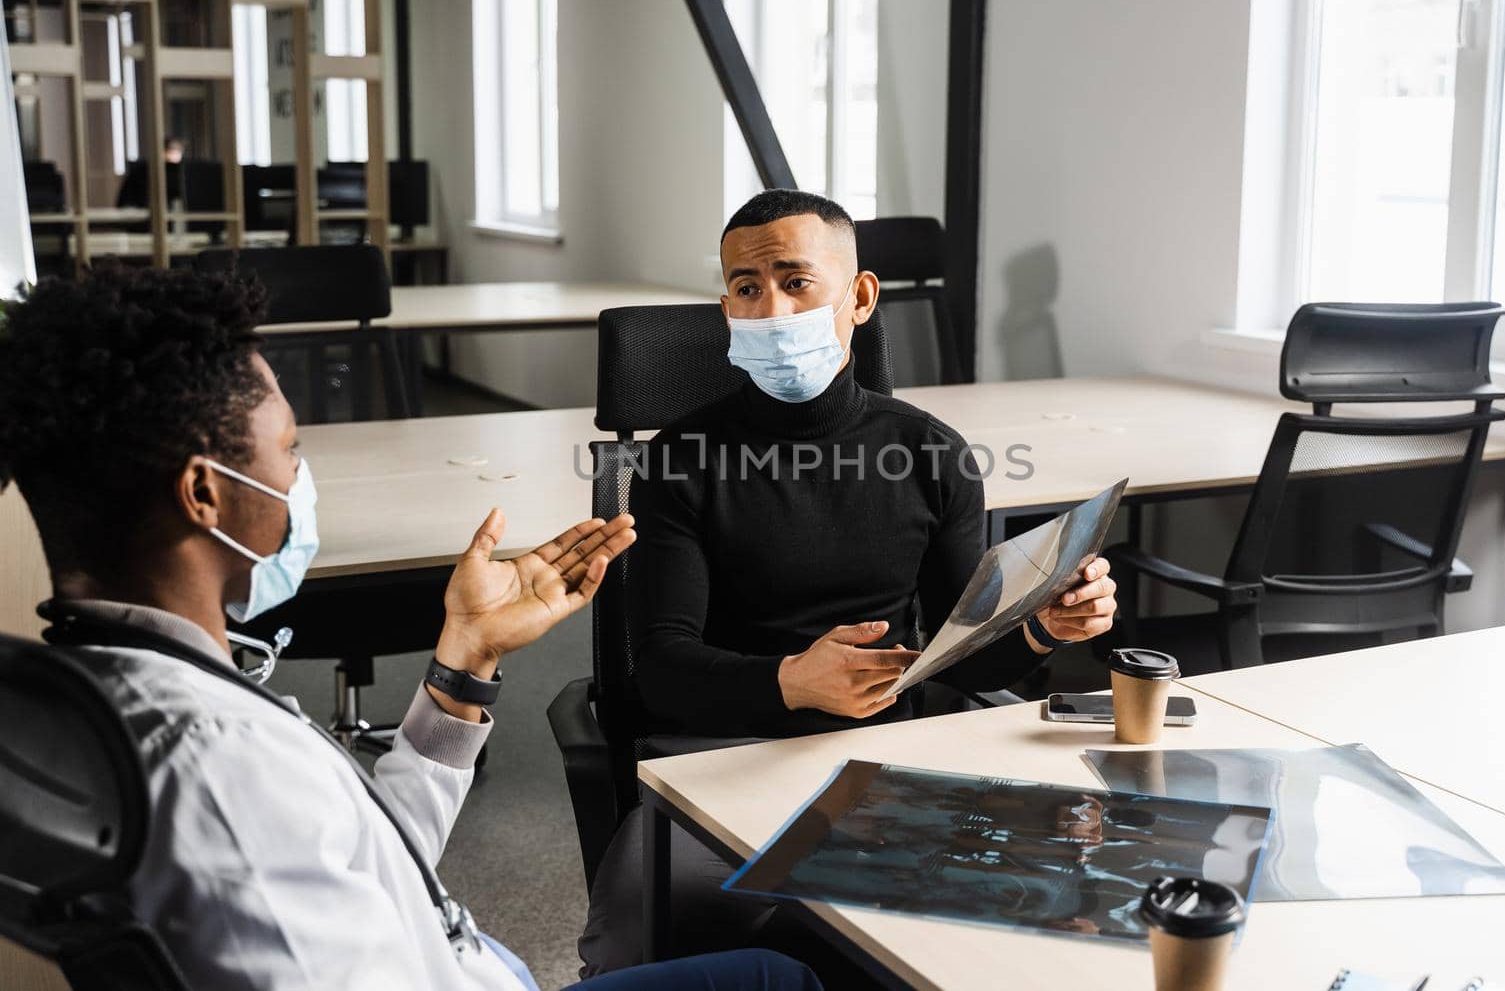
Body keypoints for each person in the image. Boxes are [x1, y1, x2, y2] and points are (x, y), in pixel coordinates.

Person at [0, 263, 821, 991]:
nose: (299, 471)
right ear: (204, 493)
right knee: (786, 977)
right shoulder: (219, 767)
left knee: (777, 961)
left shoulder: (104, 684)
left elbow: (368, 861)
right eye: (289, 446)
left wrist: (465, 665)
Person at [579, 190, 1119, 974]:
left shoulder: (931, 454)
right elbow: (660, 668)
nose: (771, 309)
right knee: (641, 936)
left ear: (860, 296)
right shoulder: (678, 461)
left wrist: (1041, 628)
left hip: (892, 766)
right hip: (724, 762)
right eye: (746, 287)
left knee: (1050, 924)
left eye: (797, 282)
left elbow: (958, 656)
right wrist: (794, 680)